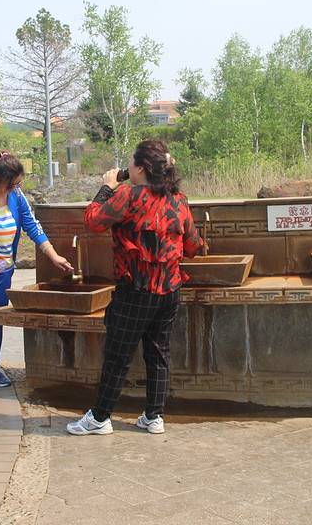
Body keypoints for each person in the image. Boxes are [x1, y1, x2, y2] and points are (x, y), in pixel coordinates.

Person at [67, 140, 203, 436]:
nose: (127, 166)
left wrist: (106, 187)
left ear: (140, 168)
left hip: (136, 290)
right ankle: (154, 416)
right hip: (170, 290)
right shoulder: (179, 199)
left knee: (118, 355)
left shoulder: (128, 195)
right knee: (159, 353)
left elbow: (92, 221)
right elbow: (193, 246)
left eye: (131, 161)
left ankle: (99, 418)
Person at [0, 150, 73, 396]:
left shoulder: (16, 196)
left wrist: (53, 255)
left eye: (18, 184)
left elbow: (32, 225)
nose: (16, 188)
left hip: (3, 268)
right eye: (12, 184)